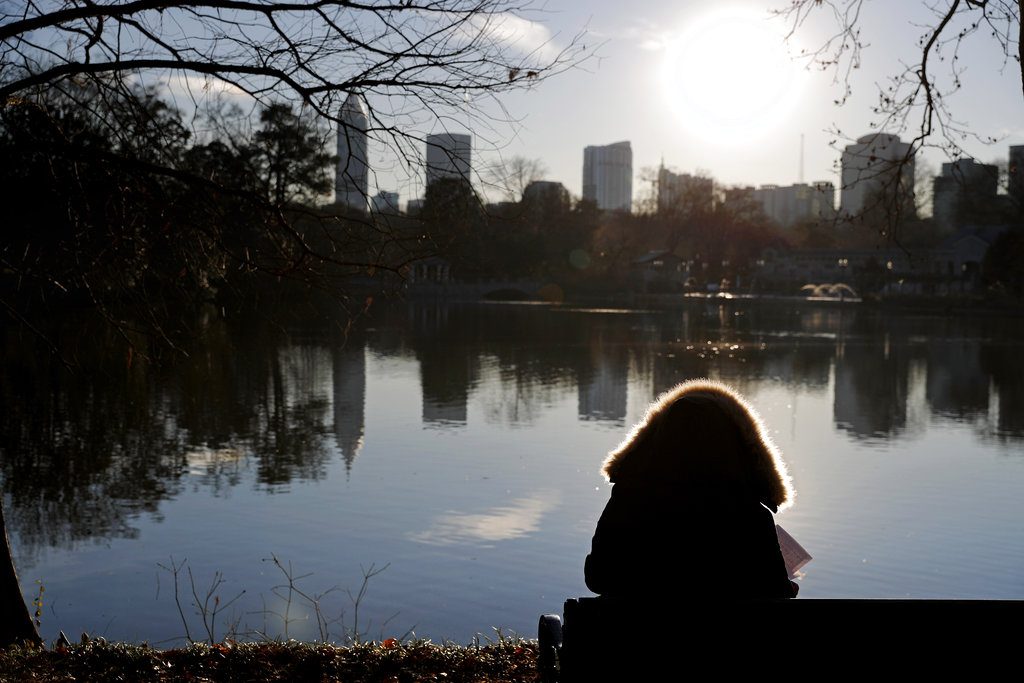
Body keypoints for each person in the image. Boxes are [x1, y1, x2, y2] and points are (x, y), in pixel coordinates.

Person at [584, 379, 798, 599]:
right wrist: (787, 587)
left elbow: (598, 578)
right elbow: (774, 592)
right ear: (732, 445)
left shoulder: (627, 502)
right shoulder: (751, 516)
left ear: (658, 438)